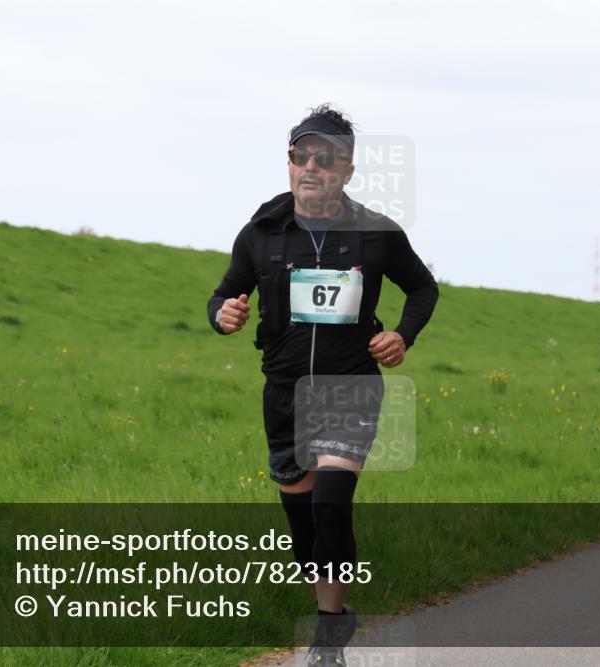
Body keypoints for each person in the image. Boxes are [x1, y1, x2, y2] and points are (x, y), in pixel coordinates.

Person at [207, 104, 438, 666]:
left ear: (347, 170)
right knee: (304, 526)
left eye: (326, 158)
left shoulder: (378, 234)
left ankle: (327, 637)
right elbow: (223, 295)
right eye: (301, 155)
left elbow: (423, 289)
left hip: (349, 386)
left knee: (332, 505)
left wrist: (402, 337)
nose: (312, 166)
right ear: (289, 163)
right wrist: (223, 315)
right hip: (284, 392)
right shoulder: (259, 232)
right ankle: (335, 610)